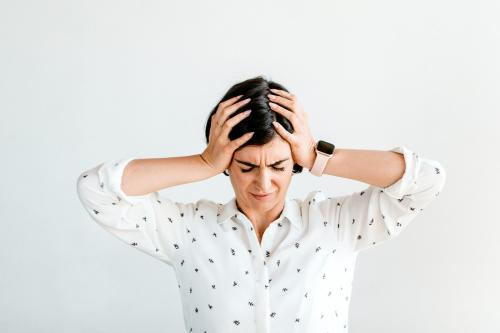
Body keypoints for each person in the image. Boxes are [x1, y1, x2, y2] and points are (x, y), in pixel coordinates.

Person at [76, 76, 446, 332]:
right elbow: (96, 189)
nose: (264, 182)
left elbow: (426, 179)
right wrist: (203, 162)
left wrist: (319, 156)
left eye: (280, 165)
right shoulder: (189, 230)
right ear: (227, 164)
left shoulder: (336, 224)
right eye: (247, 166)